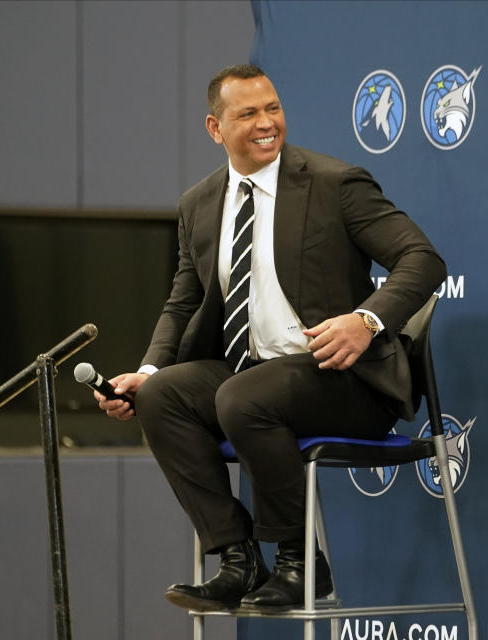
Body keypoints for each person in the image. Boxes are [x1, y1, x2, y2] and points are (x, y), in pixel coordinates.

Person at [94, 64, 446, 612]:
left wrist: (367, 319)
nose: (266, 123)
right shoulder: (199, 204)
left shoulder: (334, 183)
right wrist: (147, 372)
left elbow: (421, 259)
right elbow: (184, 300)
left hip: (344, 381)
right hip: (255, 376)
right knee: (164, 396)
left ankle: (300, 562)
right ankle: (238, 560)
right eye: (248, 113)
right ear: (216, 128)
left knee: (243, 395)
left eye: (273, 108)